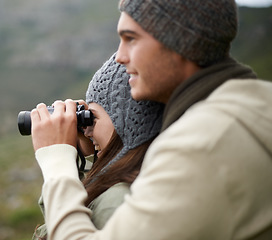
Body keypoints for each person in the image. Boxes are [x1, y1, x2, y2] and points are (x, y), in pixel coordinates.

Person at [30, 0, 272, 239]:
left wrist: (57, 160)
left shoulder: (200, 145)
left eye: (131, 38)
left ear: (181, 40)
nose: (120, 57)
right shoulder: (254, 104)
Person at [32, 53, 164, 239]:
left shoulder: (117, 201)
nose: (86, 131)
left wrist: (56, 159)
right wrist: (83, 159)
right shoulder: (139, 184)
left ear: (126, 122)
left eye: (92, 118)